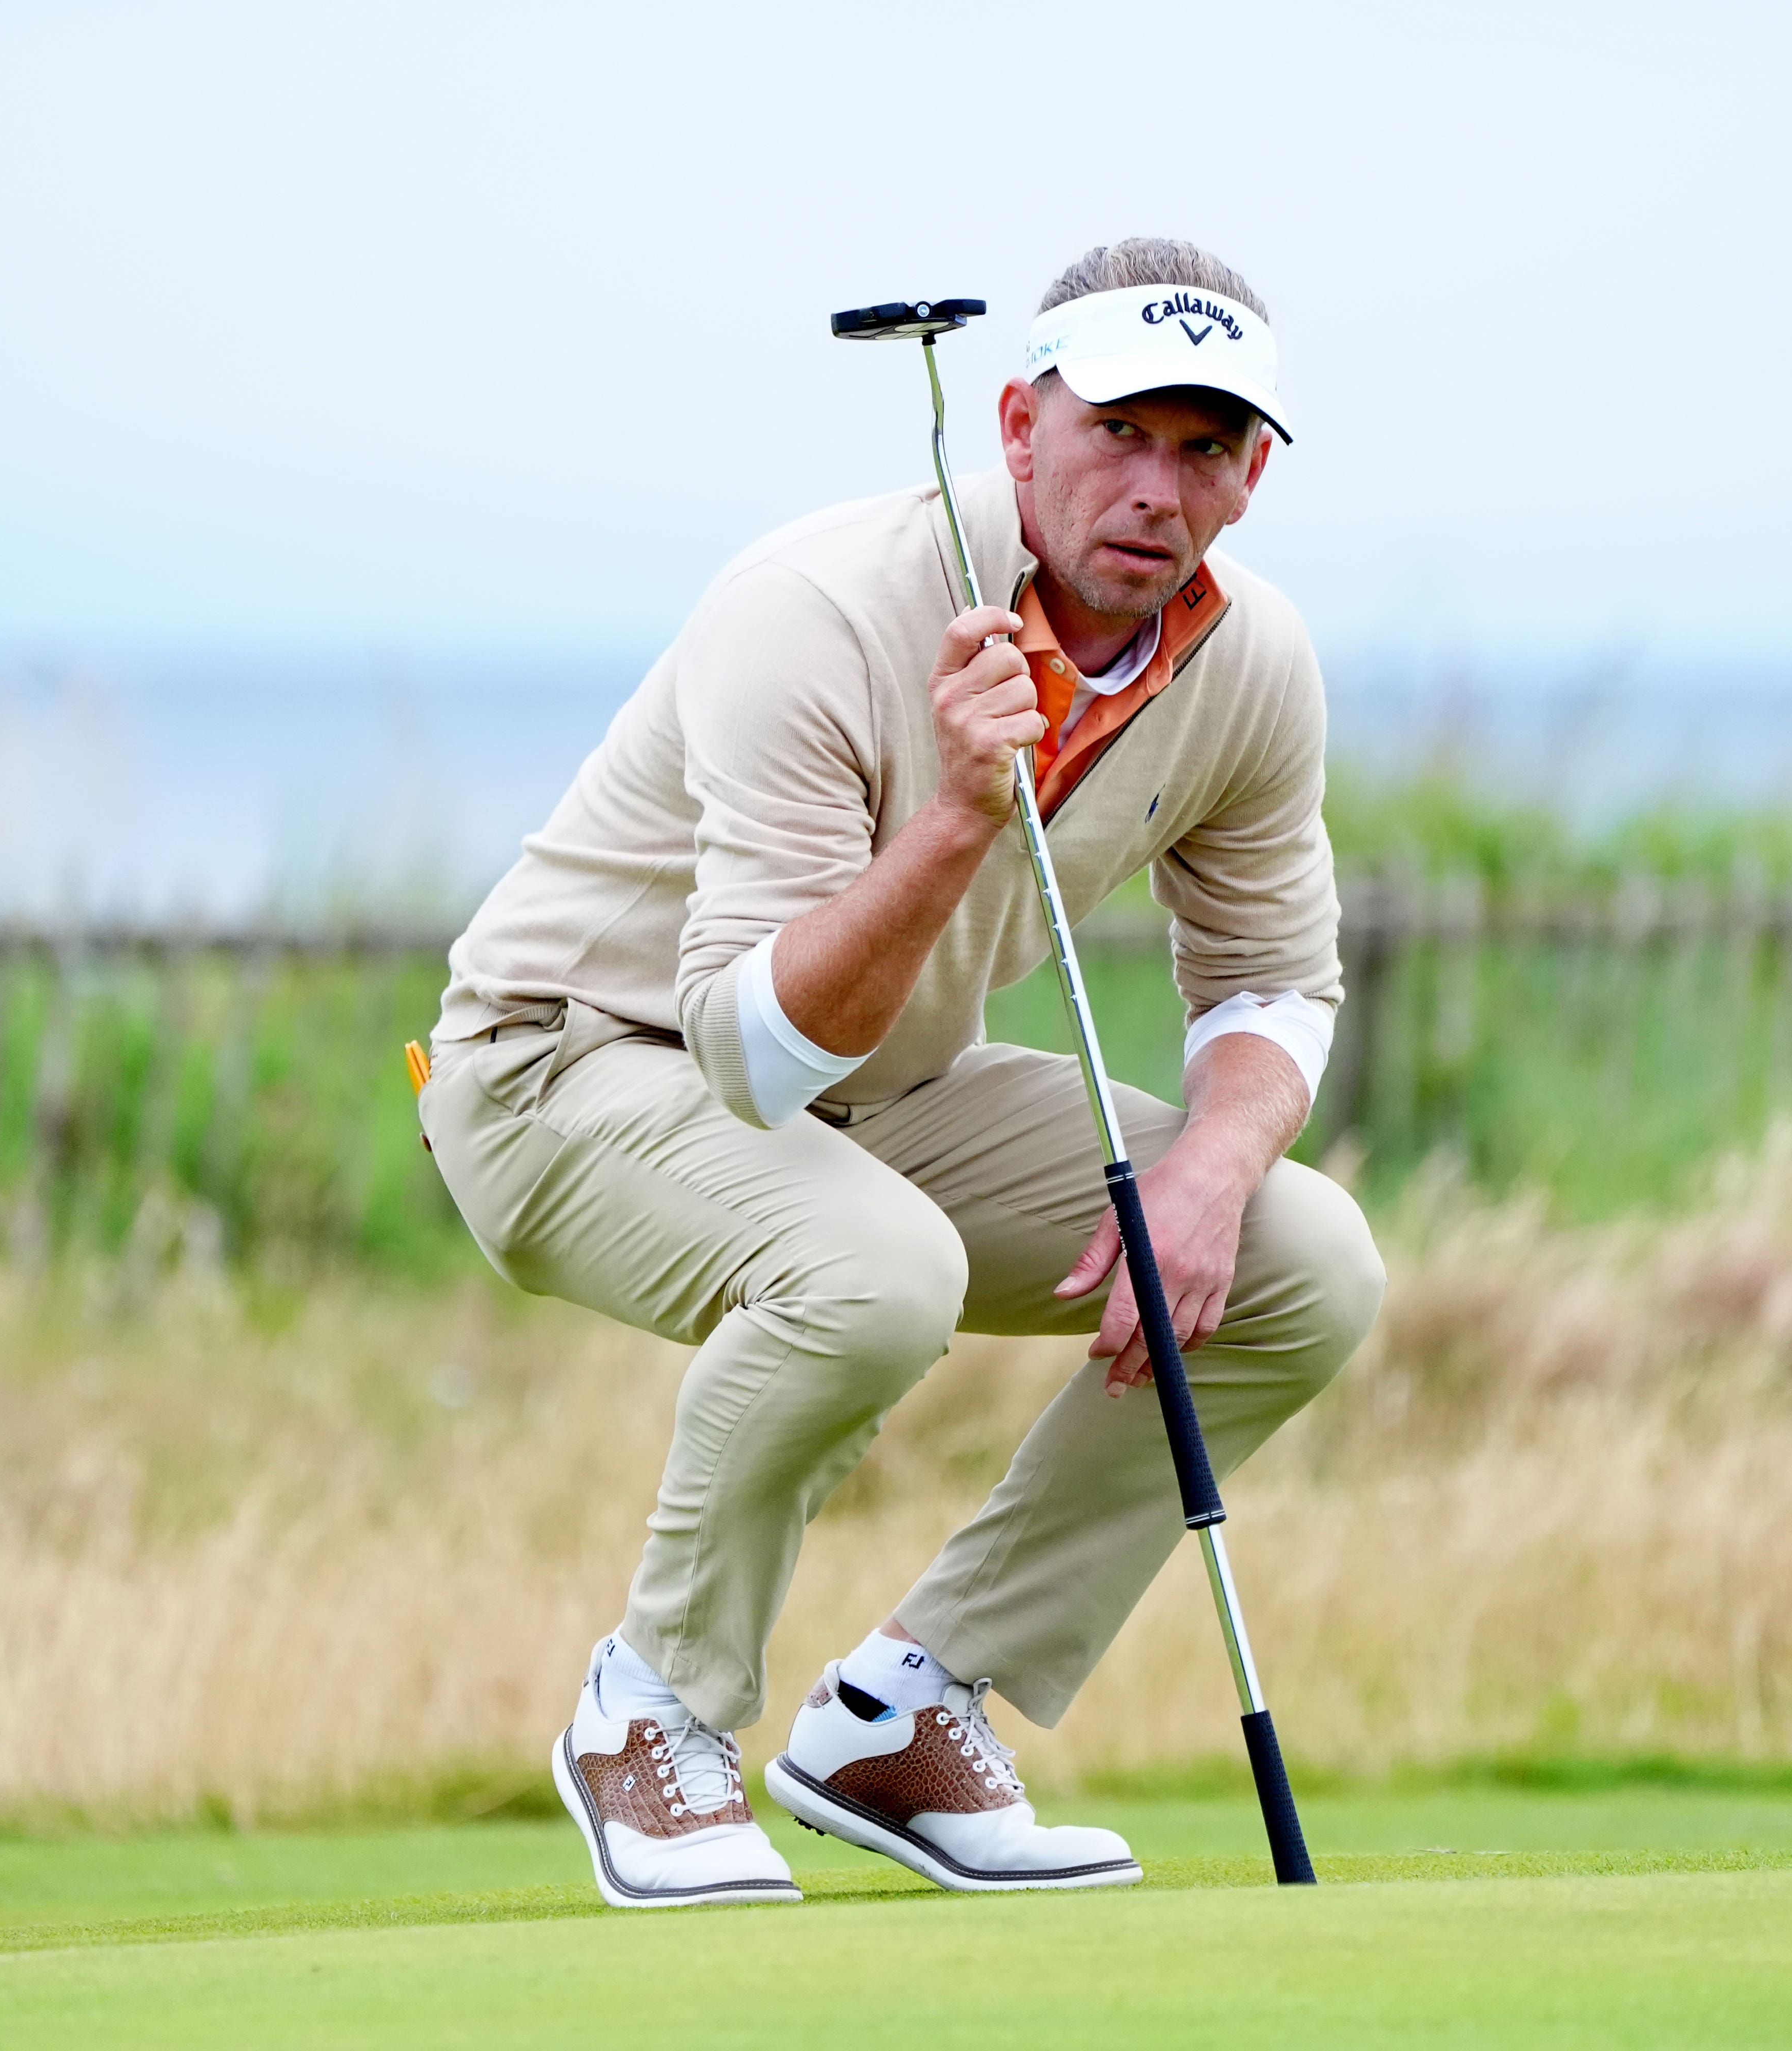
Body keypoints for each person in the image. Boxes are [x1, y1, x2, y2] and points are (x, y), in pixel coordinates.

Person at [418, 237, 1383, 1908]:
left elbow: (1274, 976)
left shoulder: (1253, 660)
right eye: (1120, 433)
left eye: (1207, 448)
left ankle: (906, 1709)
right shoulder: (811, 612)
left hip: (890, 1089)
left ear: (1254, 477)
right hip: (568, 1065)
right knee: (877, 1274)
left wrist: (1216, 1173)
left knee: (1307, 1261)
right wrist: (953, 816)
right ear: (1018, 425)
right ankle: (652, 1712)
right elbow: (748, 1042)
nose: (1158, 489)